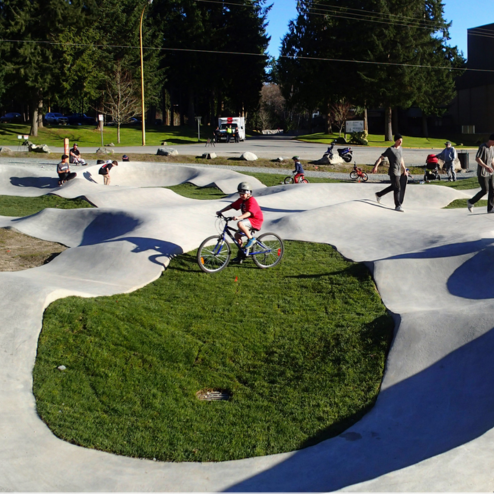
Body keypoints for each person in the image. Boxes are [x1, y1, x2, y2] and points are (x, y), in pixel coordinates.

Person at [215, 182, 264, 263]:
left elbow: (249, 213)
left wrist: (239, 217)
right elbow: (232, 206)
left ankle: (252, 239)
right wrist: (221, 211)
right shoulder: (241, 200)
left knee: (240, 223)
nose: (241, 195)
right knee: (237, 235)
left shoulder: (252, 201)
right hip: (248, 220)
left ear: (249, 193)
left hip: (256, 220)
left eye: (243, 193)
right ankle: (241, 255)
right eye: (240, 193)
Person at [372, 134, 407, 212]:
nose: (401, 142)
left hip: (398, 171)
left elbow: (401, 159)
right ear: (396, 140)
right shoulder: (390, 149)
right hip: (393, 172)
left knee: (394, 186)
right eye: (400, 141)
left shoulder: (401, 149)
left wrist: (404, 169)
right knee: (397, 188)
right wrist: (376, 166)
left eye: (402, 141)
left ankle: (379, 194)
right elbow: (381, 158)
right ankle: (397, 205)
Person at [467, 134, 494, 213]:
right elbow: (477, 158)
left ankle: (490, 208)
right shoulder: (482, 147)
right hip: (482, 173)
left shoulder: (492, 148)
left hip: (490, 173)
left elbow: (492, 159)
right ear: (492, 140)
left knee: (493, 190)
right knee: (485, 190)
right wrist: (486, 167)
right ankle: (471, 202)